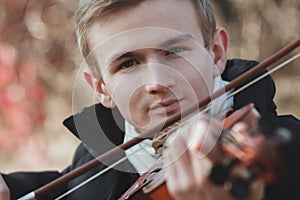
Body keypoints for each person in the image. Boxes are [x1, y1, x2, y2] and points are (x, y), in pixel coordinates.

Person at [1, 0, 300, 199]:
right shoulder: (100, 159)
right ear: (102, 88)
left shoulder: (288, 152)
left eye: (174, 52)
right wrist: (9, 188)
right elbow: (66, 187)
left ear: (216, 53)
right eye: (128, 64)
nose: (157, 82)